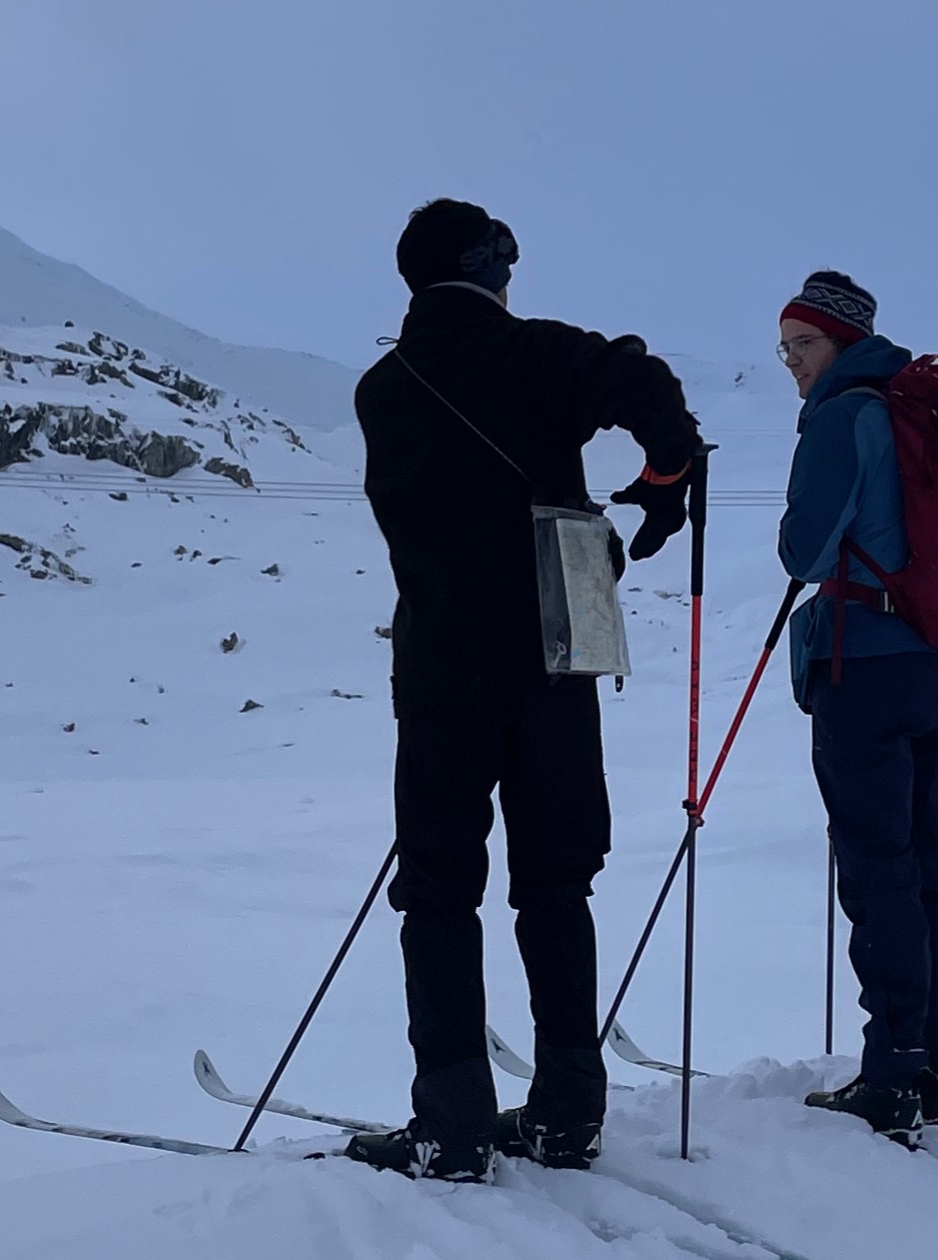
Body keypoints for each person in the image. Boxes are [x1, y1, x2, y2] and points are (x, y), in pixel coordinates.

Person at [341, 199, 703, 1181]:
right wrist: (666, 479)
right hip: (555, 655)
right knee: (555, 881)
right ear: (491, 268)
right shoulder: (540, 356)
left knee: (438, 890)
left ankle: (452, 1125)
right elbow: (641, 384)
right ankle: (566, 1112)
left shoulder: (384, 388)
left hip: (439, 668)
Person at [772, 270, 938, 1144]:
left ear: (841, 340)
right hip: (932, 662)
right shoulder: (915, 403)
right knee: (926, 867)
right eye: (784, 351)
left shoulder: (844, 413)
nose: (792, 365)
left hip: (864, 668)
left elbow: (804, 548)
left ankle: (889, 1078)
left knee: (877, 870)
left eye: (803, 346)